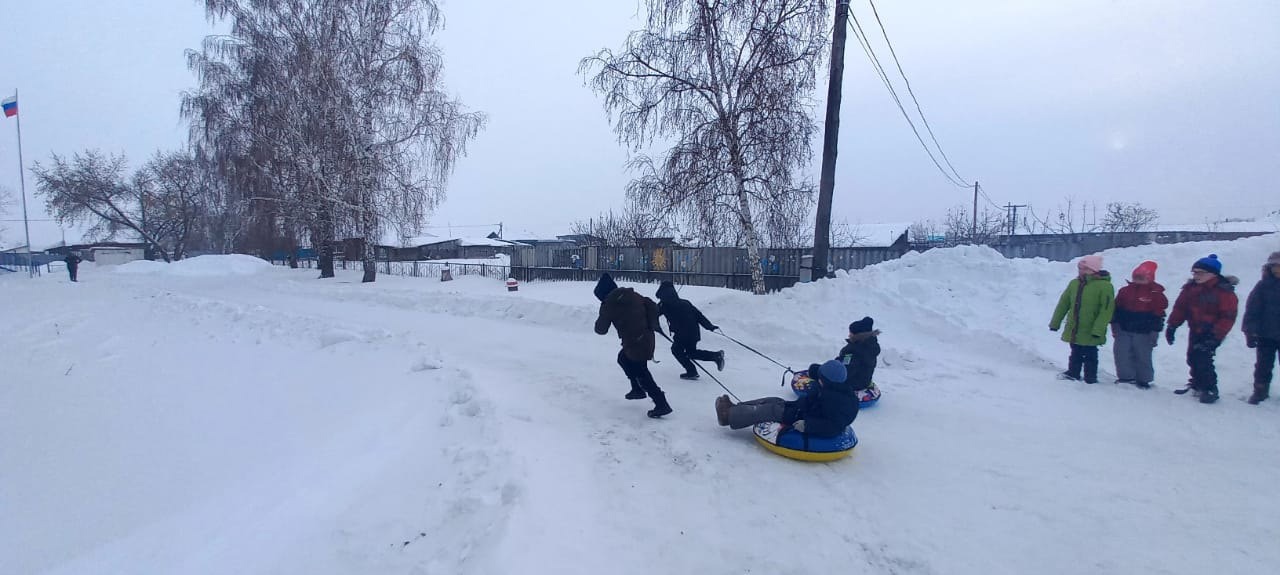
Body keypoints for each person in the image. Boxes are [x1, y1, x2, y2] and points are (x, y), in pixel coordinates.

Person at [594, 273, 672, 418]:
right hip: (645, 337)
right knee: (623, 358)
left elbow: (600, 329)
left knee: (641, 371)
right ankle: (637, 389)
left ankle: (661, 403)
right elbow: (653, 306)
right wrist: (651, 324)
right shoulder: (633, 295)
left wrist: (604, 311)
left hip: (634, 342)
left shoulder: (609, 304)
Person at [714, 360, 858, 438]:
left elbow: (833, 425)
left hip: (804, 418)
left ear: (827, 382)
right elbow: (820, 374)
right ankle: (734, 408)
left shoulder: (838, 402)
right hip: (802, 408)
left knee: (771, 409)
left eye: (820, 378)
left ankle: (728, 417)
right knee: (773, 400)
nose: (818, 380)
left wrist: (807, 425)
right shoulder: (834, 387)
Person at [1166, 254, 1239, 404]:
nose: (1196, 276)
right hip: (1195, 329)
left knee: (1204, 358)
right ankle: (1197, 383)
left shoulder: (1223, 291)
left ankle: (1210, 388)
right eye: (1194, 272)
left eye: (1200, 273)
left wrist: (1216, 336)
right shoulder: (1191, 289)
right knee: (1192, 356)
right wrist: (1172, 325)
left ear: (1212, 274)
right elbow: (1181, 308)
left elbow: (1228, 316)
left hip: (1212, 331)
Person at [1049, 254, 1116, 383]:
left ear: (1094, 270)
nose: (1081, 272)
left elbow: (1106, 310)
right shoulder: (1074, 284)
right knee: (1075, 352)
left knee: (1090, 353)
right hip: (1075, 327)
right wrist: (1055, 322)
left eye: (1085, 269)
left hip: (1091, 328)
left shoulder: (1105, 286)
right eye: (1080, 269)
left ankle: (1090, 377)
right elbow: (1064, 303)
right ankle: (1073, 372)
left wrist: (1098, 329)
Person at [1111, 261, 1168, 389]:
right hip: (1124, 327)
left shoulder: (1155, 293)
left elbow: (1160, 310)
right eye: (1135, 277)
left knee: (1143, 355)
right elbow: (1117, 307)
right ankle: (1126, 377)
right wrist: (1115, 323)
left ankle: (1144, 379)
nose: (1137, 280)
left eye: (1141, 278)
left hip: (1144, 330)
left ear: (1150, 278)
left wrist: (1155, 330)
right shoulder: (1125, 291)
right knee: (1122, 353)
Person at [655, 280, 725, 380]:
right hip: (694, 333)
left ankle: (691, 371)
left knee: (676, 350)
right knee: (691, 352)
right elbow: (698, 315)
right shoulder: (685, 302)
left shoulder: (664, 306)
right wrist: (709, 326)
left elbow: (653, 314)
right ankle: (715, 356)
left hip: (682, 334)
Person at [1243, 251, 1280, 405]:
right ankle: (1260, 391)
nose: (1277, 270)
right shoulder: (1263, 286)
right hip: (1266, 334)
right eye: (1274, 267)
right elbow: (1252, 309)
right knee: (1263, 366)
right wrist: (1249, 331)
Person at [838, 316, 881, 392]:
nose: (849, 335)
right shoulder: (869, 345)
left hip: (854, 383)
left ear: (857, 335)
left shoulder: (856, 350)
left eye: (851, 333)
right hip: (863, 380)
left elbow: (846, 371)